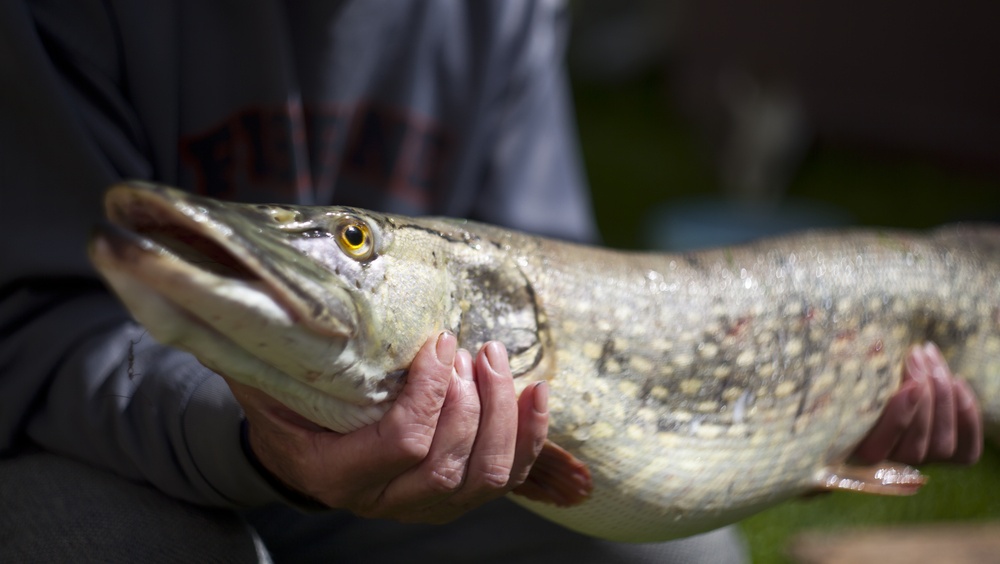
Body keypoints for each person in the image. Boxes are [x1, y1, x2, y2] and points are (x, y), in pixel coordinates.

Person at [0, 1, 981, 562]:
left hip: (430, 468)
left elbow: (546, 265)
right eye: (351, 241)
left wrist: (821, 405)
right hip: (115, 462)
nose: (340, 248)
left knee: (678, 555)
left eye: (348, 241)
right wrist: (262, 446)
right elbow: (34, 335)